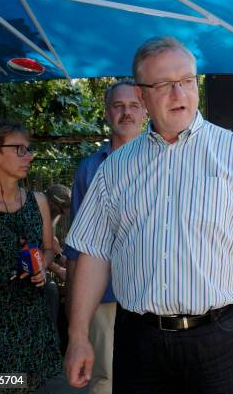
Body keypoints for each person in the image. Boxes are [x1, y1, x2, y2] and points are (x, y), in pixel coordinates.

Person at [64, 37, 233, 394]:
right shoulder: (114, 170)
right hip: (139, 343)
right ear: (142, 97)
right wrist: (78, 336)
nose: (179, 94)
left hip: (222, 341)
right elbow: (92, 254)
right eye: (164, 85)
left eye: (187, 81)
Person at [0, 120, 63, 390]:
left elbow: (49, 249)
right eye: (20, 149)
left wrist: (42, 266)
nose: (29, 156)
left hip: (31, 328)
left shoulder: (37, 201)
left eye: (29, 149)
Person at [64, 78, 147, 393]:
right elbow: (77, 245)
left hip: (151, 295)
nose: (126, 113)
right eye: (118, 106)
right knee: (105, 379)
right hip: (104, 296)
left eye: (134, 106)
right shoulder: (89, 168)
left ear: (145, 111)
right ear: (107, 112)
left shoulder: (162, 161)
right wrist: (74, 308)